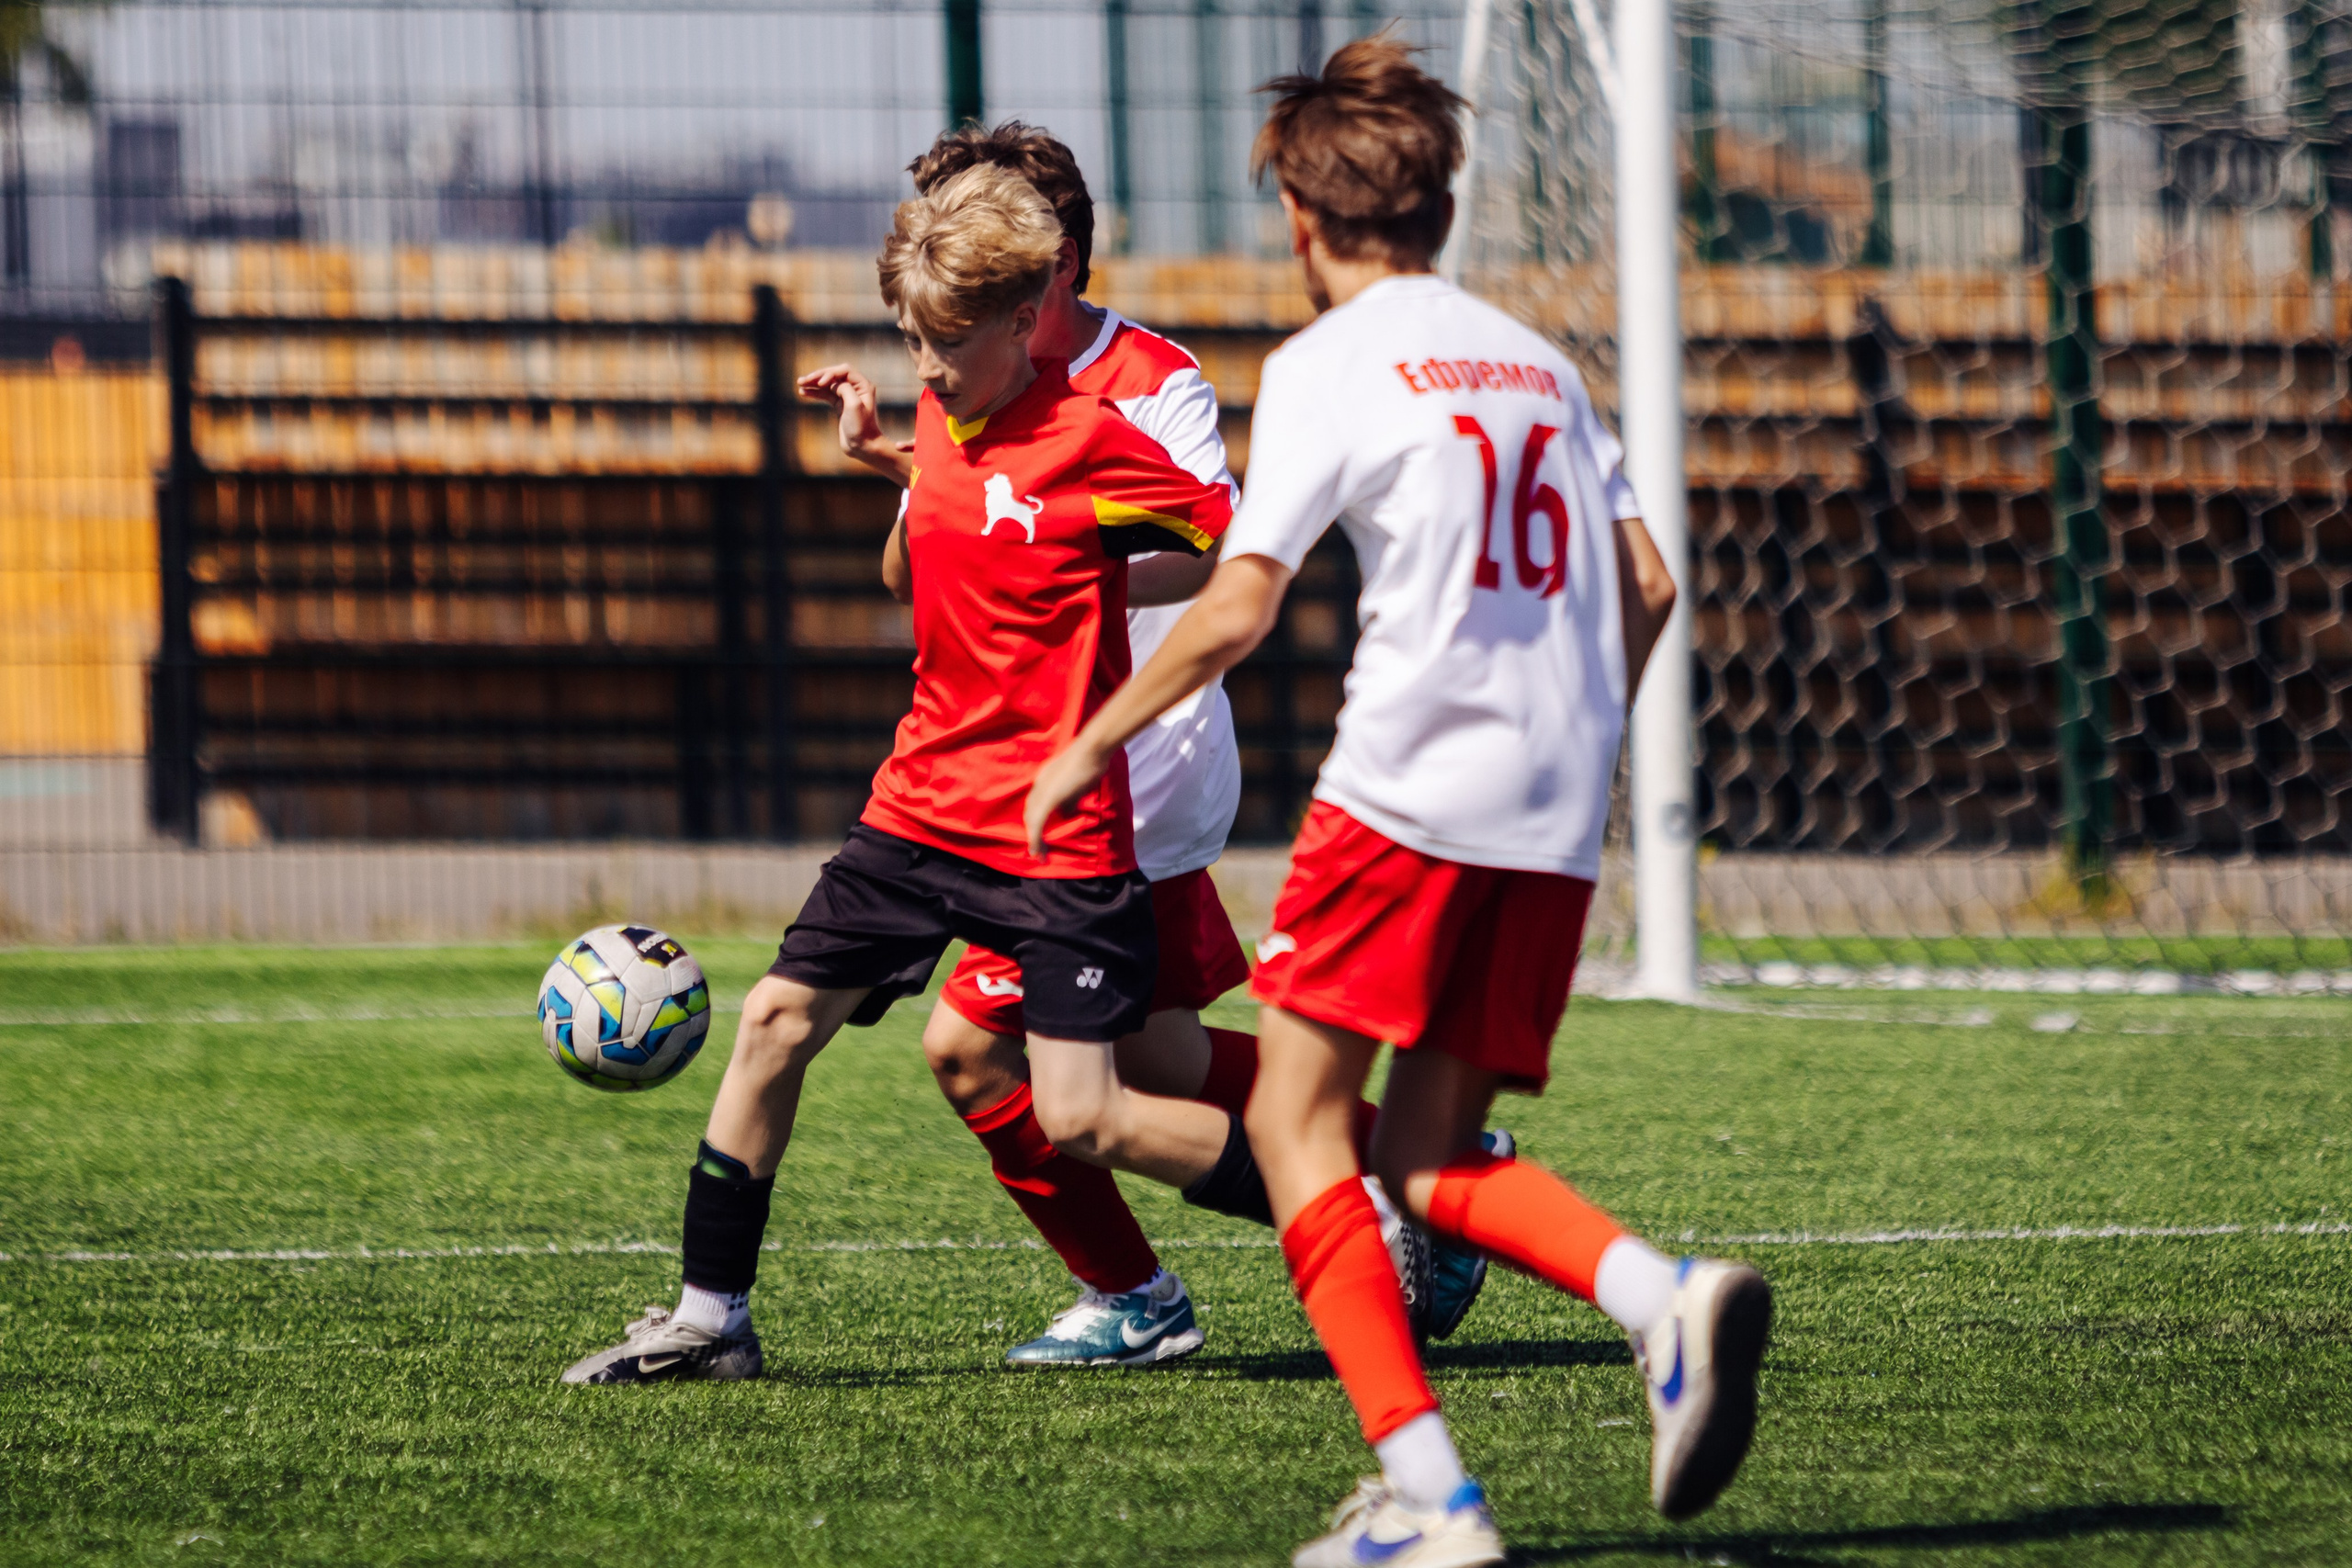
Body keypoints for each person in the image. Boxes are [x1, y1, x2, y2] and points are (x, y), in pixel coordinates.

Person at [1023, 37, 1770, 1565]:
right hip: (1552, 809)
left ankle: (1437, 1493)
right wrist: (1572, 748)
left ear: (1302, 220)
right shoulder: (1539, 362)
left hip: (1407, 794)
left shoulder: (1326, 366)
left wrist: (1092, 740)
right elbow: (1646, 583)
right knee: (1422, 1155)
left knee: (1301, 1126)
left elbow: (1234, 606)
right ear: (1439, 200)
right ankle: (1658, 1308)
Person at [799, 122, 1492, 1367]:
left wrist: (1042, 575)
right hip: (1018, 768)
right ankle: (1423, 1165)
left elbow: (1201, 551)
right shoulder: (961, 362)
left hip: (1129, 767)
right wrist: (908, 482)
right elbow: (941, 546)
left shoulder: (1148, 380)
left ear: (1050, 257)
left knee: (971, 1049)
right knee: (1161, 1051)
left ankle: (1151, 1289)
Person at [563, 162, 1252, 1385]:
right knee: (776, 1020)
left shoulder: (1098, 436)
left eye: (941, 342)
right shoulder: (939, 414)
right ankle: (710, 1318)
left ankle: (1341, 1200)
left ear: (1021, 319)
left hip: (1054, 828)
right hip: (921, 803)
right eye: (907, 337)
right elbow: (917, 570)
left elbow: (1224, 549)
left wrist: (1080, 577)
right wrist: (890, 464)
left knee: (1095, 1108)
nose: (922, 366)